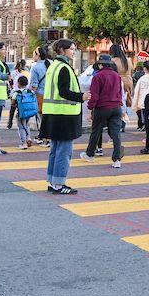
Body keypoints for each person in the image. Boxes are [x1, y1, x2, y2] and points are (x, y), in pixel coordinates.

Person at [42, 39, 89, 194]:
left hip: (53, 114)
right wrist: (81, 97)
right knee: (64, 151)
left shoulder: (53, 66)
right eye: (72, 49)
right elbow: (64, 92)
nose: (74, 51)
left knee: (55, 149)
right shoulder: (64, 68)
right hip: (64, 114)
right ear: (62, 50)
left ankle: (52, 181)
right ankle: (59, 184)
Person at [81, 53, 125, 169]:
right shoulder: (117, 76)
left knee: (96, 131)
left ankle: (90, 154)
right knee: (116, 133)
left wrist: (90, 108)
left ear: (100, 64)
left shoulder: (97, 77)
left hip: (102, 108)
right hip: (116, 108)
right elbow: (120, 93)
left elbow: (94, 95)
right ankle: (116, 160)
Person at [29, 46, 51, 144]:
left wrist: (29, 93)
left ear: (38, 55)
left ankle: (43, 137)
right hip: (51, 95)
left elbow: (34, 85)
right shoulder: (51, 63)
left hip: (40, 95)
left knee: (41, 117)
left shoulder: (35, 67)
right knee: (49, 117)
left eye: (34, 53)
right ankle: (49, 137)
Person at [12, 76, 38, 149]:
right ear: (27, 83)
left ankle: (24, 143)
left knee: (21, 127)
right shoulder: (31, 92)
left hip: (22, 112)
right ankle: (28, 138)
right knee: (26, 125)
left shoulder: (17, 93)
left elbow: (12, 103)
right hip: (29, 112)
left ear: (18, 83)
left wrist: (17, 106)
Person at [6, 59, 28, 129]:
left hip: (15, 92)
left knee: (12, 108)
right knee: (23, 107)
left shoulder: (13, 72)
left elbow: (10, 82)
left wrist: (12, 88)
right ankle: (23, 122)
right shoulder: (26, 72)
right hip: (24, 92)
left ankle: (10, 122)